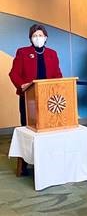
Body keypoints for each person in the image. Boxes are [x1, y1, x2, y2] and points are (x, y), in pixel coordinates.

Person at [9, 23, 63, 174]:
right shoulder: (22, 52)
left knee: (48, 129)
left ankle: (48, 160)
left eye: (40, 35)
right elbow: (13, 74)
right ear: (30, 38)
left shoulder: (52, 53)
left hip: (48, 97)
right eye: (35, 36)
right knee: (29, 130)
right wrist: (22, 85)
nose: (38, 38)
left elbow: (58, 74)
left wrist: (58, 87)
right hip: (28, 97)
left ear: (46, 37)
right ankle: (26, 163)